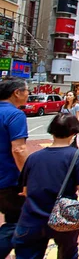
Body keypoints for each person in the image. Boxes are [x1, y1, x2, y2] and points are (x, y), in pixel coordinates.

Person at [12, 114, 79, 257]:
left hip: (32, 218)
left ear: (52, 131)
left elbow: (25, 190)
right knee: (68, 252)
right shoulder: (77, 155)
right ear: (74, 133)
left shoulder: (33, 157)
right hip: (64, 218)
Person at [0, 77, 29, 257]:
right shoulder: (15, 114)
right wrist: (28, 178)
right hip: (9, 180)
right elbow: (18, 149)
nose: (28, 95)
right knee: (16, 223)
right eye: (26, 91)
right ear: (16, 93)